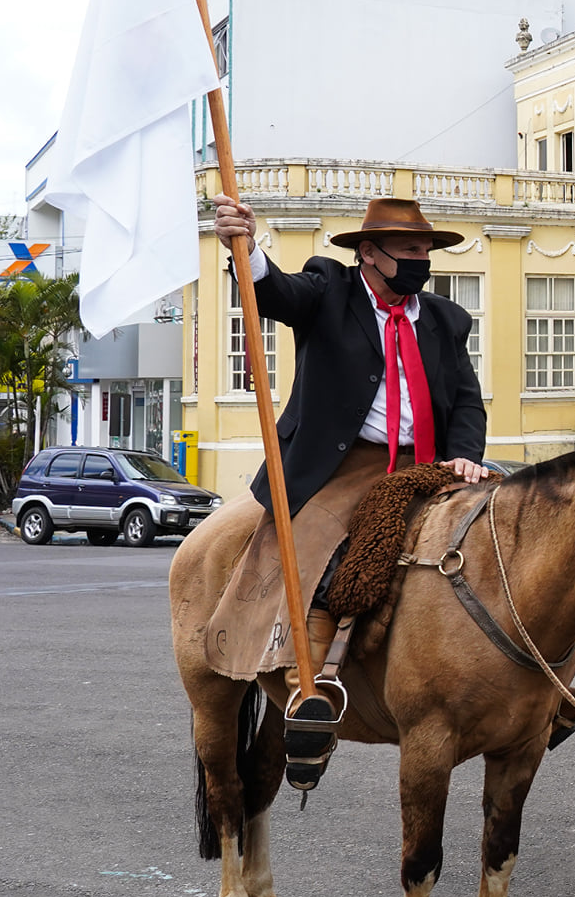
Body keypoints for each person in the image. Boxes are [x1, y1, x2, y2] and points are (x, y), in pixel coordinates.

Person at [206, 195, 489, 773]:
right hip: (344, 463)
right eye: (409, 249)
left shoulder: (444, 318)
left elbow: (465, 399)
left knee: (524, 525)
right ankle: (307, 692)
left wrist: (465, 457)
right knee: (313, 551)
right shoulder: (328, 289)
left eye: (425, 249)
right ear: (369, 253)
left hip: (431, 461)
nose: (421, 259)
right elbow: (275, 293)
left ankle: (550, 688)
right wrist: (245, 250)